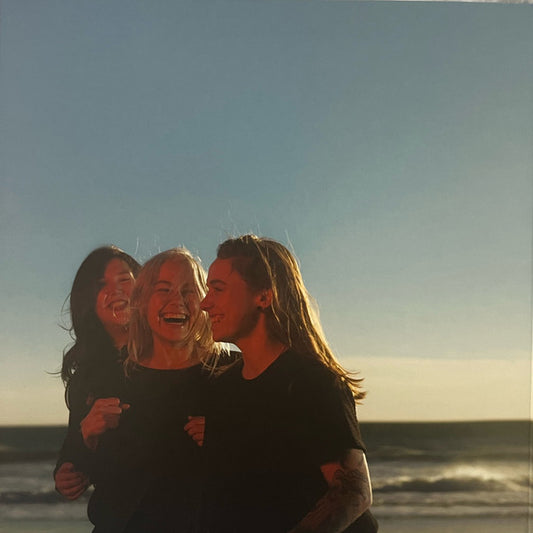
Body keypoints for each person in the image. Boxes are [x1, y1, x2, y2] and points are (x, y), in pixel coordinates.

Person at [200, 234, 378, 533]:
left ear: (264, 297)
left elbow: (353, 494)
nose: (205, 303)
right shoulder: (223, 388)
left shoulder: (311, 383)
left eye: (218, 289)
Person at [86, 248, 225, 533]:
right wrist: (88, 435)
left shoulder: (232, 373)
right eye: (163, 289)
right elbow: (95, 475)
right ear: (140, 301)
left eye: (189, 291)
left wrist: (229, 436)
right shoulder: (110, 378)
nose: (177, 301)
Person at [54, 245, 141, 500]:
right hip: (115, 514)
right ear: (89, 302)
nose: (116, 290)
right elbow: (74, 449)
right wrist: (67, 472)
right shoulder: (85, 377)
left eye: (124, 280)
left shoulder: (168, 353)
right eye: (102, 285)